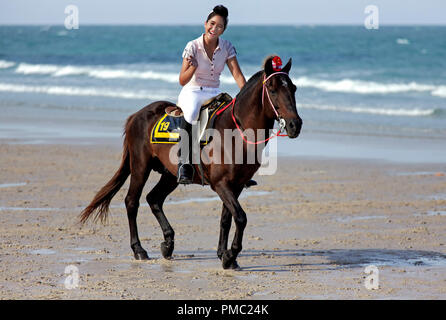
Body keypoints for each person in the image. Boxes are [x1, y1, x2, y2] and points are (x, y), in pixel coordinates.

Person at [177, 5, 246, 184]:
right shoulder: (192, 46)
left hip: (215, 92)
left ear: (224, 29)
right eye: (212, 23)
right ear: (205, 23)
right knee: (192, 113)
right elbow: (182, 80)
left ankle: (238, 168)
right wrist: (192, 67)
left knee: (234, 116)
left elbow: (237, 75)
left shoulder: (227, 47)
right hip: (192, 91)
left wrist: (246, 95)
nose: (214, 29)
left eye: (220, 26)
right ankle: (184, 163)